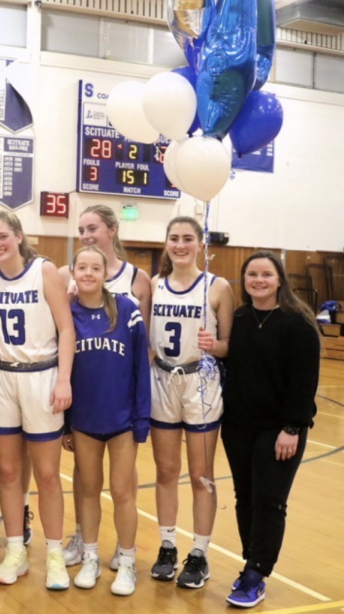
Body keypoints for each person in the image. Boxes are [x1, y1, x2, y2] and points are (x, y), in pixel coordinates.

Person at [219, 251, 320, 608]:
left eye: (266, 274)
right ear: (244, 280)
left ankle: (256, 573)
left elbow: (304, 381)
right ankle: (252, 563)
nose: (258, 280)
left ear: (279, 280)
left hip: (280, 429)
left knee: (269, 501)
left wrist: (292, 427)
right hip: (238, 426)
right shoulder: (241, 318)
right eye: (251, 275)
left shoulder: (298, 323)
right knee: (244, 498)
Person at [0, 211, 75, 590]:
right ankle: (15, 550)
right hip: (0, 376)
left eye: (3, 236)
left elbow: (66, 327)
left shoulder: (44, 270)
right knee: (7, 472)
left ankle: (54, 555)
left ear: (19, 236)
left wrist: (64, 379)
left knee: (48, 474)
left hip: (42, 375)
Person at [58, 204, 152, 570]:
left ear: (112, 230)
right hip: (85, 412)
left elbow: (142, 353)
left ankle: (125, 555)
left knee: (123, 486)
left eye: (92, 227)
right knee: (86, 482)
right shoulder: (70, 293)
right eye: (81, 229)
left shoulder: (134, 288)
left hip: (122, 408)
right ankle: (86, 541)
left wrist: (142, 413)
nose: (86, 234)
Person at [149, 216, 234, 589]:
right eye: (174, 238)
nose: (180, 245)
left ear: (201, 245)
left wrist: (214, 345)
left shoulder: (218, 287)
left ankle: (199, 553)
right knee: (166, 472)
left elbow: (230, 345)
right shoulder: (154, 284)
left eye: (188, 238)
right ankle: (168, 545)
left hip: (200, 382)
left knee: (202, 475)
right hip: (163, 382)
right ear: (166, 243)